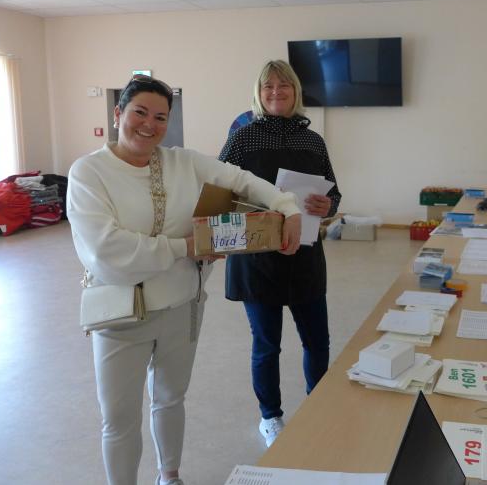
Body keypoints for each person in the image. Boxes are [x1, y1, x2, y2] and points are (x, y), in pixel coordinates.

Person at [67, 75, 302, 485]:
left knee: (171, 398)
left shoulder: (183, 162)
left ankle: (169, 476)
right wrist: (186, 248)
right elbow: (108, 254)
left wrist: (288, 206)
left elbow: (242, 180)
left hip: (181, 307)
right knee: (119, 419)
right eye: (140, 112)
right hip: (120, 316)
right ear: (118, 113)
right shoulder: (89, 172)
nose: (149, 124)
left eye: (160, 117)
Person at [218, 60, 341, 447]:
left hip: (305, 255)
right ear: (259, 92)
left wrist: (328, 206)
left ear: (295, 91)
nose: (276, 92)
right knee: (267, 345)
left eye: (283, 85)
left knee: (317, 342)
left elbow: (334, 194)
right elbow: (218, 193)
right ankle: (270, 416)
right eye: (268, 86)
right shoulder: (243, 138)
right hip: (257, 258)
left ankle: (318, 407)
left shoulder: (313, 141)